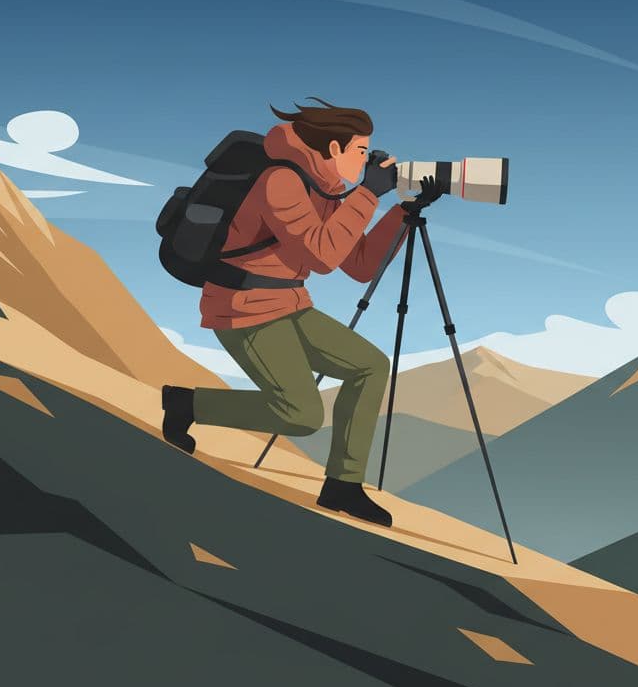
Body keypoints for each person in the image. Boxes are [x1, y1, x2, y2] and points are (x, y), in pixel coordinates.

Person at [160, 97, 439, 527]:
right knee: (302, 414)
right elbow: (323, 255)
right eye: (361, 151)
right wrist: (367, 193)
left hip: (288, 304)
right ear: (333, 149)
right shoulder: (281, 181)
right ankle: (187, 405)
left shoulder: (325, 189)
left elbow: (359, 264)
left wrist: (403, 211)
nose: (369, 160)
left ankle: (342, 485)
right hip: (242, 308)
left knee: (369, 366)